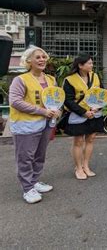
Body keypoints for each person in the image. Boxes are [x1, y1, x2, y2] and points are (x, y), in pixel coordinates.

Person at [9, 46, 60, 204]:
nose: (42, 59)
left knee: (39, 155)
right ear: (29, 61)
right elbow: (15, 102)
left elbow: (56, 98)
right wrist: (42, 111)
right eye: (37, 57)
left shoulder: (51, 79)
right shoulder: (21, 80)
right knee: (25, 157)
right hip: (25, 125)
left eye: (44, 57)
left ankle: (34, 181)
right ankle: (27, 188)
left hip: (46, 123)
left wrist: (57, 110)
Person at [63, 53, 104, 180]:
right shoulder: (69, 80)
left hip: (94, 112)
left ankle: (86, 165)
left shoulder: (95, 76)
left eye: (92, 63)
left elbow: (102, 94)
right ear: (80, 65)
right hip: (78, 114)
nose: (92, 65)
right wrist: (83, 112)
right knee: (79, 140)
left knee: (91, 138)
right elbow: (68, 100)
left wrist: (98, 107)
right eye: (89, 63)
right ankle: (78, 167)